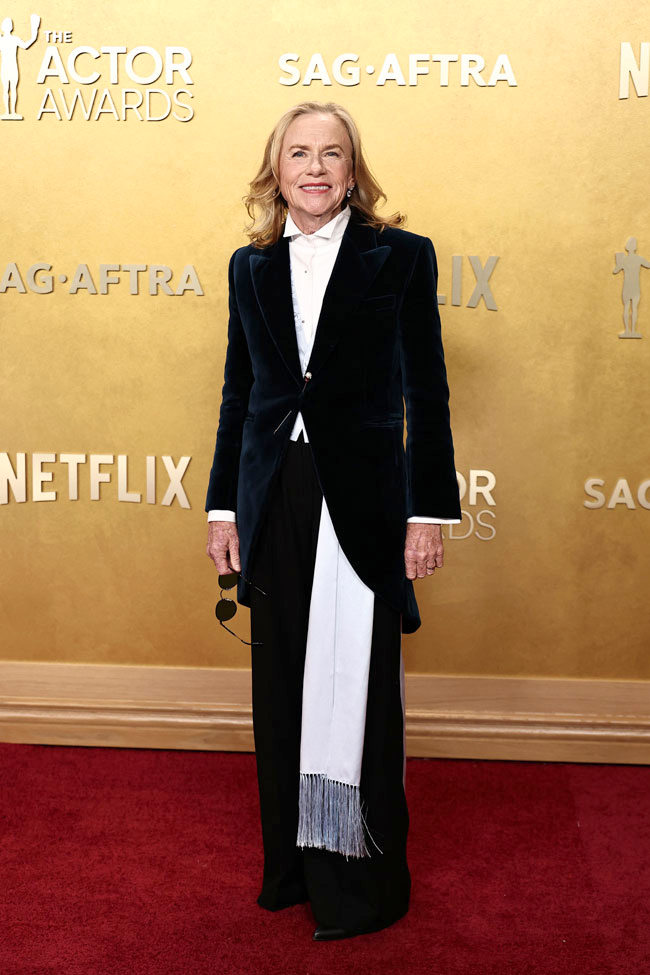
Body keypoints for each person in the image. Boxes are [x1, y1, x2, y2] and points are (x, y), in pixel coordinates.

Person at [205, 100, 462, 941]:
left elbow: (426, 390)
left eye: (332, 154)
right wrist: (223, 505)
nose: (314, 169)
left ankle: (361, 886)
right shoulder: (249, 268)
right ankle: (291, 869)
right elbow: (240, 396)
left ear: (353, 171)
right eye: (299, 154)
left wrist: (427, 510)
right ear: (275, 171)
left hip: (365, 500)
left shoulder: (403, 257)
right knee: (280, 682)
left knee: (361, 691)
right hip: (275, 493)